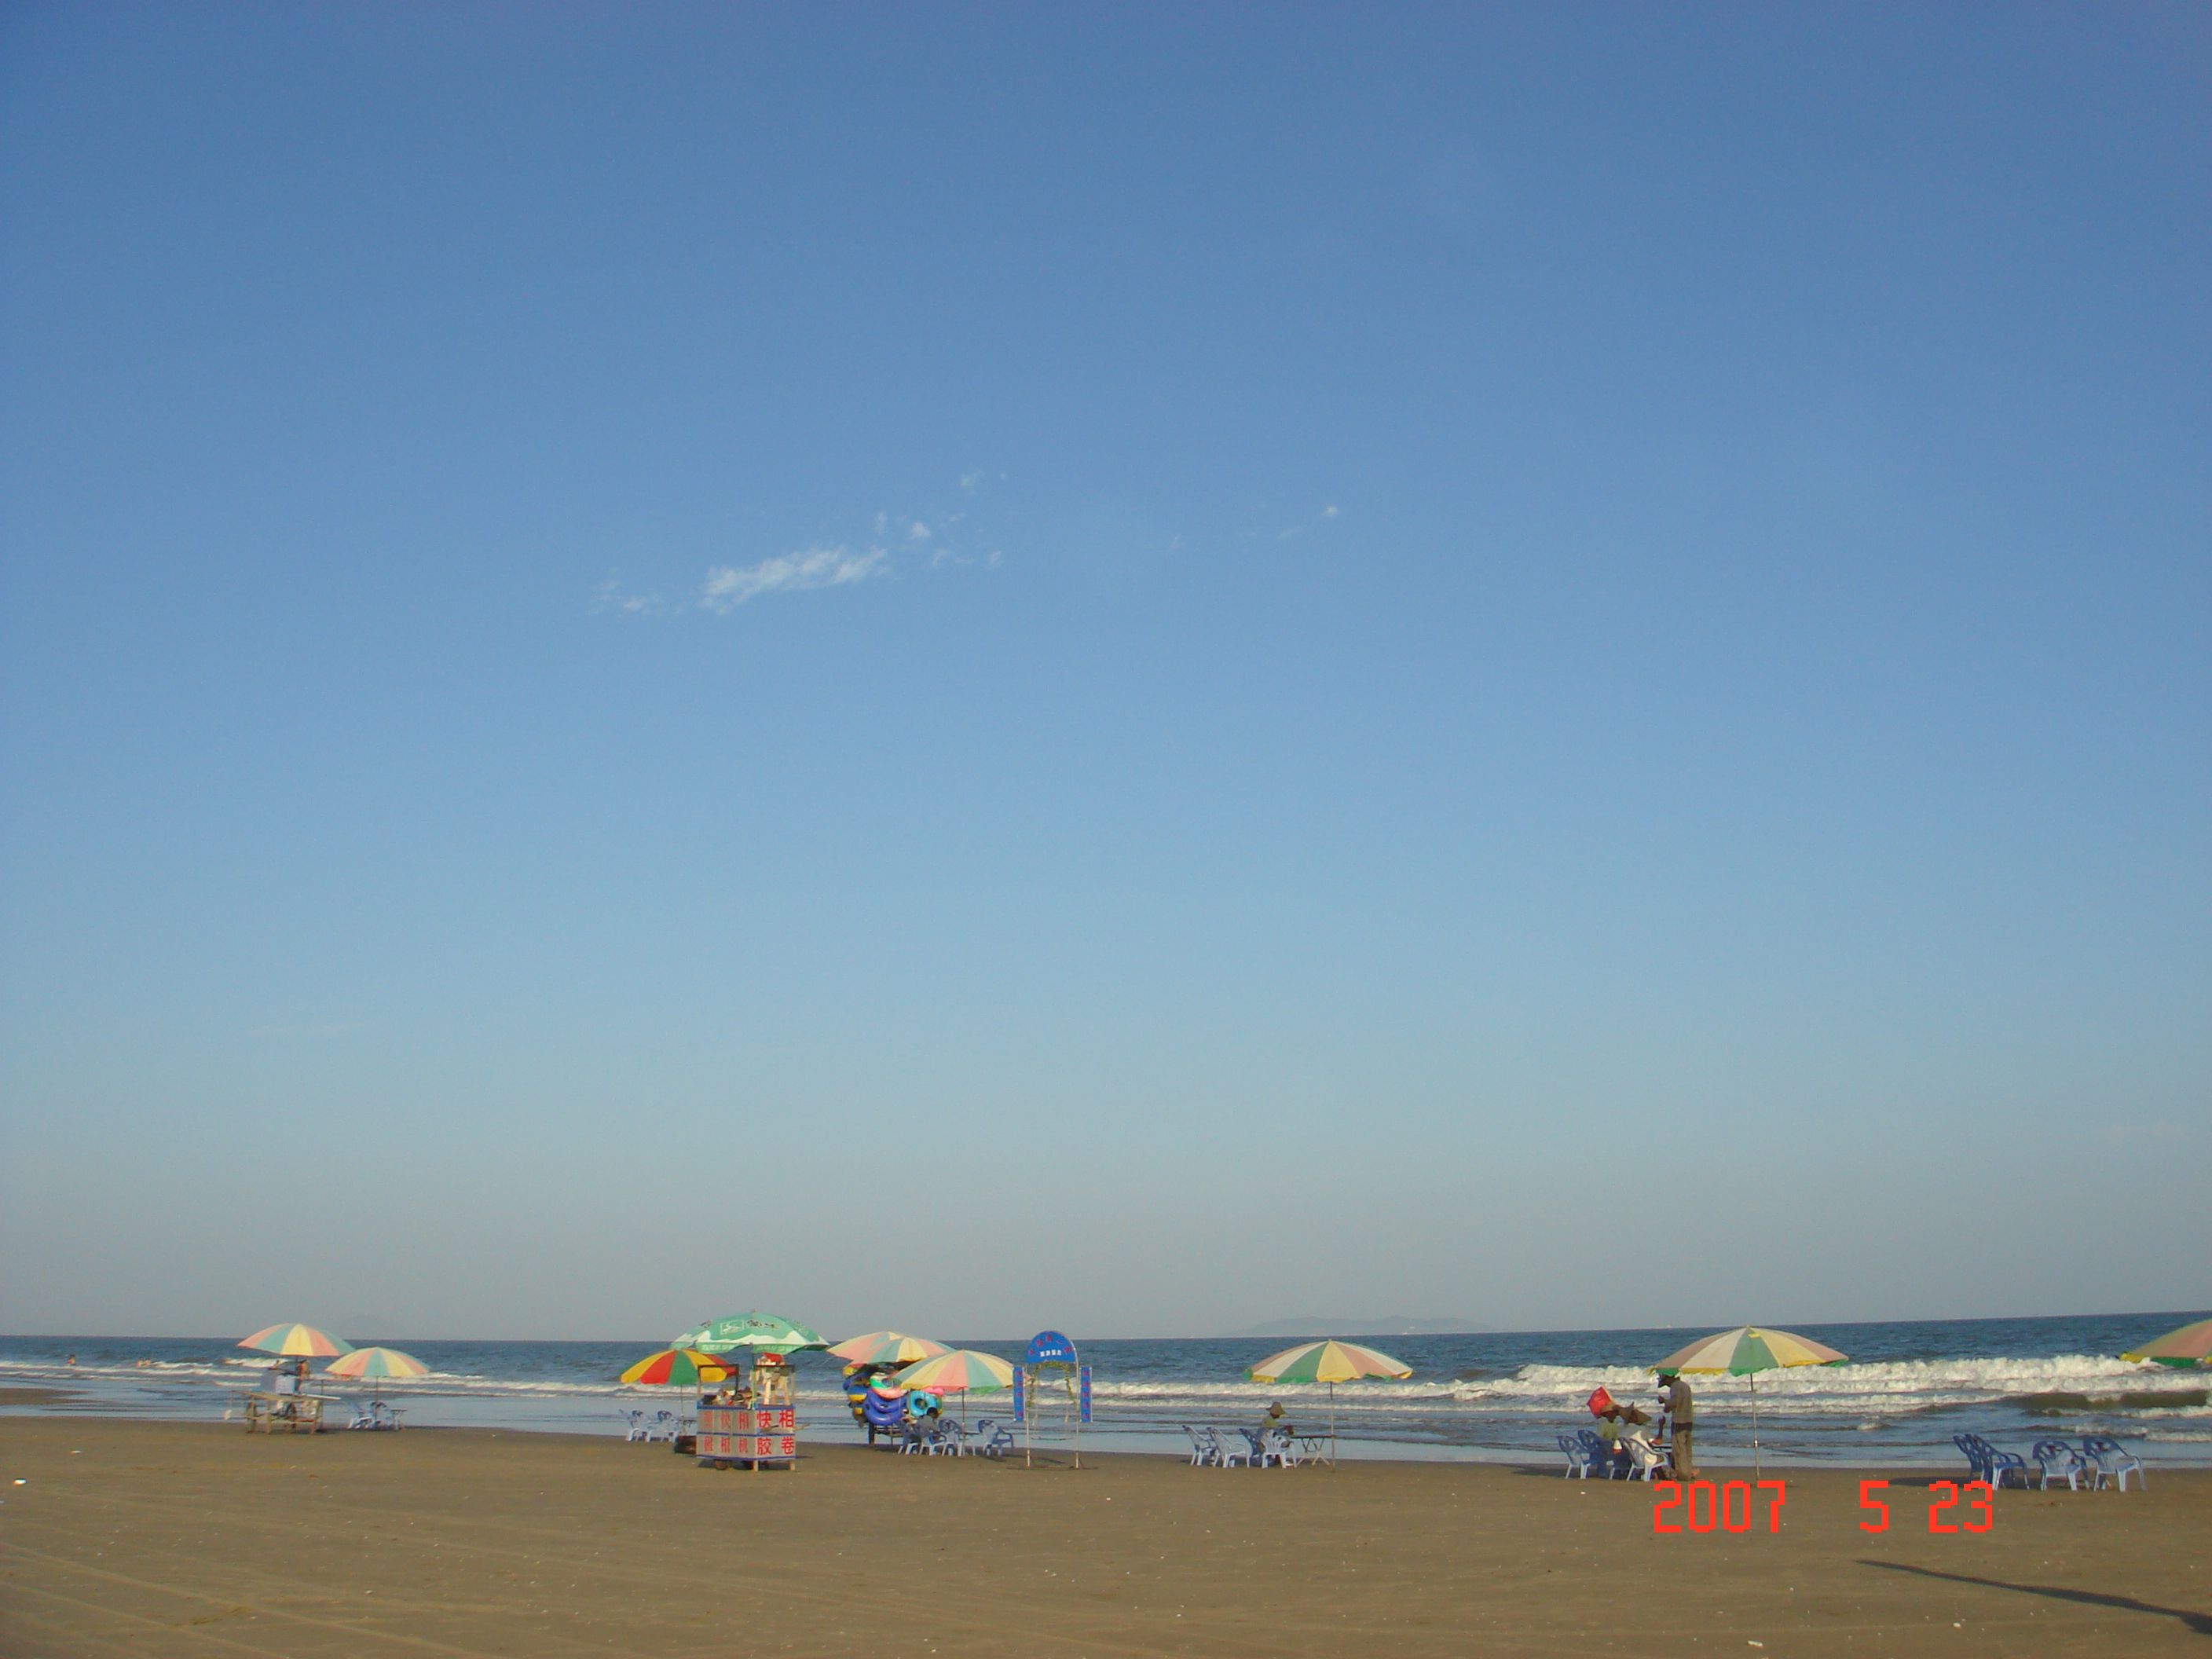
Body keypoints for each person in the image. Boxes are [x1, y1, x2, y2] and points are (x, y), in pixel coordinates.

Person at [1659, 1372, 1696, 1478]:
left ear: (1668, 1378)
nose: (1667, 1385)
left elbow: (1674, 1402)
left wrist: (1664, 1402)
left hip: (1679, 1421)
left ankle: (1683, 1474)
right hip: (1688, 1420)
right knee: (1687, 1449)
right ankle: (1688, 1471)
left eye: (1666, 1382)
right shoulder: (1685, 1386)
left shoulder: (1675, 1387)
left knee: (1679, 1449)